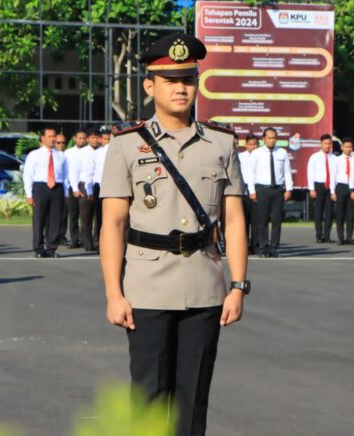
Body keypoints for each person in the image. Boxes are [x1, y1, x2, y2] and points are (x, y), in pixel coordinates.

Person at [99, 33, 248, 436]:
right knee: (147, 397)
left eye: (188, 78)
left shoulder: (221, 143)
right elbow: (112, 223)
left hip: (204, 286)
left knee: (193, 399)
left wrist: (237, 286)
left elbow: (233, 221)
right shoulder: (126, 146)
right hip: (145, 288)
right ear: (150, 86)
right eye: (170, 80)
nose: (181, 88)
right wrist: (114, 293)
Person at [247, 127, 293, 257]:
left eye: (274, 138)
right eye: (269, 138)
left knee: (277, 221)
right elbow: (251, 173)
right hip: (262, 190)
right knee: (262, 221)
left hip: (278, 190)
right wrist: (251, 190)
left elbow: (287, 172)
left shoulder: (282, 153)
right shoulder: (256, 153)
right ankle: (262, 249)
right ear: (264, 139)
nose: (272, 140)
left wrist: (289, 189)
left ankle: (274, 249)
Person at [22, 127, 68, 258]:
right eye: (50, 136)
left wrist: (65, 193)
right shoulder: (34, 155)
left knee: (55, 220)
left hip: (57, 187)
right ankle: (38, 248)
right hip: (40, 187)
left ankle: (51, 248)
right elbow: (28, 175)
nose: (53, 139)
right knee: (39, 219)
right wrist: (29, 195)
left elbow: (65, 175)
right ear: (42, 138)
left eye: (54, 136)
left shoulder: (61, 155)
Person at [307, 134, 337, 243]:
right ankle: (319, 235)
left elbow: (334, 175)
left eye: (329, 144)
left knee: (329, 213)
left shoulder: (334, 158)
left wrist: (333, 191)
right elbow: (310, 173)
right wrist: (311, 189)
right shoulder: (314, 157)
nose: (327, 146)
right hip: (318, 186)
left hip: (330, 187)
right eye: (325, 143)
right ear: (321, 144)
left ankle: (327, 235)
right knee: (318, 212)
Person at [77, 129, 101, 252]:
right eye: (92, 138)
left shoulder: (103, 151)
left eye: (97, 138)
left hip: (99, 185)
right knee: (86, 216)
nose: (95, 140)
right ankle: (87, 243)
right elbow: (75, 170)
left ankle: (97, 242)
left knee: (99, 216)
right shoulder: (82, 153)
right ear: (88, 139)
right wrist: (76, 188)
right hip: (85, 185)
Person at [64, 129, 86, 248]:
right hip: (71, 188)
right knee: (73, 216)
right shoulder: (68, 153)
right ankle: (74, 240)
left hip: (85, 186)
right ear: (74, 138)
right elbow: (66, 172)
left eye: (83, 138)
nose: (81, 140)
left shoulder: (89, 152)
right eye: (79, 138)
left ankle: (85, 240)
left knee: (85, 216)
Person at [238, 134, 260, 253]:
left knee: (256, 220)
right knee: (244, 220)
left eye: (255, 144)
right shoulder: (240, 157)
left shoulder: (261, 156)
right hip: (243, 189)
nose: (253, 146)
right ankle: (244, 246)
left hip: (257, 189)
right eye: (251, 144)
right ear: (246, 145)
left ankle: (255, 245)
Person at [334, 138, 354, 244]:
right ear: (342, 147)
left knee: (350, 214)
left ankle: (349, 237)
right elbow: (333, 176)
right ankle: (340, 237)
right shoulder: (337, 160)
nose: (348, 149)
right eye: (346, 147)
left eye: (350, 147)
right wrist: (332, 191)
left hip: (351, 187)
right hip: (341, 186)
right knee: (340, 214)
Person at [92, 129, 111, 248]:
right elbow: (90, 172)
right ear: (100, 139)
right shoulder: (97, 153)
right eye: (105, 139)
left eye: (110, 139)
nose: (108, 142)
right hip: (99, 186)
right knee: (99, 216)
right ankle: (99, 241)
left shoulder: (115, 151)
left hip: (112, 186)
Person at [55, 133, 70, 246]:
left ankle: (62, 236)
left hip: (66, 187)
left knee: (64, 215)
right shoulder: (52, 155)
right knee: (52, 214)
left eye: (63, 142)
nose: (61, 145)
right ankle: (51, 236)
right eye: (58, 142)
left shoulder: (68, 155)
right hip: (53, 187)